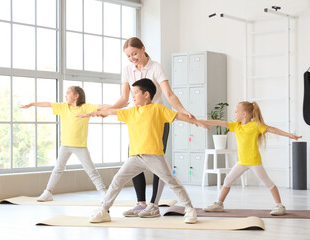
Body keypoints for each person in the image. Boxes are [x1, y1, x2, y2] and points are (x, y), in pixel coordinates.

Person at [78, 79, 208, 223]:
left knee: (173, 183)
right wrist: (91, 113)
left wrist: (197, 122)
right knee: (117, 180)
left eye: (135, 93)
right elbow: (111, 111)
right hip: (135, 157)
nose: (132, 96)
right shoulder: (131, 112)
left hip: (154, 156)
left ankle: (190, 210)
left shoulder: (158, 109)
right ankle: (104, 210)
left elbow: (178, 116)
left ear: (146, 94)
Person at [108, 37, 196, 218]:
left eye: (134, 53)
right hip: (137, 120)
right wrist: (106, 110)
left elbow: (169, 94)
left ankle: (154, 205)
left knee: (157, 162)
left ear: (143, 49)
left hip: (157, 120)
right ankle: (140, 203)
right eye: (128, 55)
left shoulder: (155, 67)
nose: (132, 58)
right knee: (134, 157)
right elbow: (124, 98)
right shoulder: (127, 69)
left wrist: (183, 111)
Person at [199, 101, 302, 215]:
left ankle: (279, 206)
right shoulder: (236, 126)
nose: (234, 114)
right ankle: (219, 204)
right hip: (242, 162)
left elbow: (273, 130)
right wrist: (198, 121)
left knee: (268, 182)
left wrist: (291, 135)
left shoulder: (256, 125)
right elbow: (218, 122)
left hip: (254, 162)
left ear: (244, 114)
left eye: (236, 112)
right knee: (227, 180)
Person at [20, 86, 107, 201]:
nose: (65, 96)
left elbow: (102, 106)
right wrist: (31, 104)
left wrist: (119, 106)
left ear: (76, 96)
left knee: (91, 171)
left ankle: (104, 193)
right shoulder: (63, 107)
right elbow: (47, 104)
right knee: (58, 169)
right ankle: (48, 192)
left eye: (68, 93)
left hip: (80, 146)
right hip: (65, 145)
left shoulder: (85, 108)